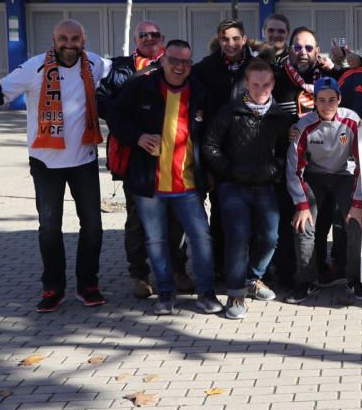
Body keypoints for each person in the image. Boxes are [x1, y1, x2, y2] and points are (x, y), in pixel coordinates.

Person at [0, 19, 108, 312]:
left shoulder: (95, 64)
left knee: (93, 227)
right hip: (45, 162)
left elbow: (125, 71)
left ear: (83, 39)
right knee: (50, 228)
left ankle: (88, 284)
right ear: (53, 39)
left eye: (75, 38)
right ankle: (53, 287)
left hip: (84, 161)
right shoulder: (34, 67)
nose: (69, 44)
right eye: (63, 38)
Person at [108, 40, 222, 316]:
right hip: (150, 183)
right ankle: (166, 295)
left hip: (188, 183)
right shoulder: (141, 86)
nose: (179, 66)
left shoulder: (199, 91)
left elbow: (209, 135)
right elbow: (115, 115)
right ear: (163, 60)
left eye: (185, 61)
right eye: (174, 60)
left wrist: (210, 171)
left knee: (201, 239)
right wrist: (138, 136)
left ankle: (206, 294)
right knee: (155, 241)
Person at [96, 20, 191, 299]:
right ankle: (139, 274)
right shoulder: (120, 68)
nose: (149, 38)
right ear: (135, 39)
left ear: (163, 38)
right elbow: (106, 106)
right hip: (137, 157)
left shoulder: (179, 65)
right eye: (143, 35)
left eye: (155, 34)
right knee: (138, 219)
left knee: (176, 220)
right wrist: (136, 132)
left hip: (175, 160)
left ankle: (178, 270)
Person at [202, 58, 293, 320]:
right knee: (238, 239)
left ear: (273, 84)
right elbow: (210, 146)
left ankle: (253, 278)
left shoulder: (279, 117)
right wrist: (229, 171)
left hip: (265, 187)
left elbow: (284, 152)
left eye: (266, 84)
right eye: (255, 85)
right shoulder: (229, 111)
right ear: (247, 84)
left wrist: (274, 170)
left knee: (269, 237)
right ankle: (235, 293)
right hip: (233, 187)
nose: (261, 90)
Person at [285, 78, 362, 303]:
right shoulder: (304, 125)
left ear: (339, 99)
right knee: (304, 223)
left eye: (332, 99)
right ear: (314, 101)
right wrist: (301, 205)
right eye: (321, 100)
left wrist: (358, 203)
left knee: (355, 221)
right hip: (315, 175)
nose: (327, 105)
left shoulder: (351, 121)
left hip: (343, 174)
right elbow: (294, 167)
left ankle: (355, 280)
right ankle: (307, 281)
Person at [192, 18, 258, 279]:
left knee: (253, 213)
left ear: (244, 39)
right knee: (220, 213)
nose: (230, 44)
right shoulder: (205, 68)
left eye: (234, 38)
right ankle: (220, 268)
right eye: (224, 38)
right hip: (217, 151)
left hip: (252, 150)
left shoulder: (259, 66)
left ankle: (253, 270)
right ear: (218, 40)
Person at [273, 26, 339, 119]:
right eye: (297, 47)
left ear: (317, 52)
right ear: (289, 51)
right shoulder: (275, 79)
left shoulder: (330, 76)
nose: (303, 52)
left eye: (309, 48)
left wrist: (344, 61)